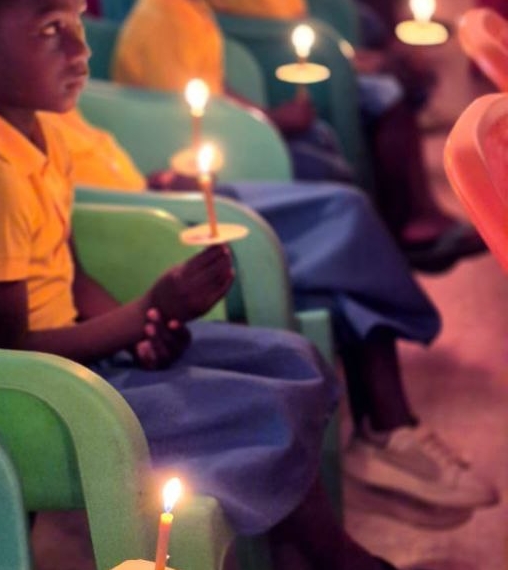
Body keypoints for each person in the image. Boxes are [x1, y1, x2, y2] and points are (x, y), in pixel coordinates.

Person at [0, 0, 408, 567]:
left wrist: (141, 329)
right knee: (261, 408)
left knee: (291, 359)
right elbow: (7, 350)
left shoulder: (36, 135)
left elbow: (68, 274)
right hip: (30, 403)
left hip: (75, 359)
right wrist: (146, 308)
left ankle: (299, 545)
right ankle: (322, 554)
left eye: (75, 22)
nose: (81, 48)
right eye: (51, 30)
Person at [47, 108, 499, 511]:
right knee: (344, 216)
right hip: (157, 231)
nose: (77, 47)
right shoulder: (9, 154)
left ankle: (387, 430)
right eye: (52, 25)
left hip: (163, 198)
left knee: (333, 273)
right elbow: (13, 325)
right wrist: (136, 318)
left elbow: (77, 263)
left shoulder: (48, 121)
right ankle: (385, 431)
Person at [112, 0, 488, 272]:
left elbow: (214, 88)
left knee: (323, 140)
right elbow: (190, 111)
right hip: (208, 152)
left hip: (230, 131)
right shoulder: (165, 19)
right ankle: (381, 244)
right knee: (335, 183)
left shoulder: (190, 13)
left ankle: (397, 229)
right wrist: (271, 119)